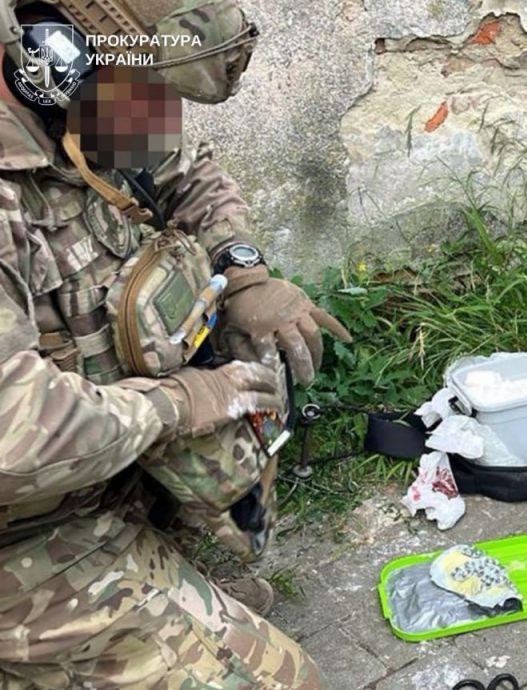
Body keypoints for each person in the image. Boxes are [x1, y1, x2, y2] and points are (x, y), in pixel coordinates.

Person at [0, 1, 348, 686]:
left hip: (95, 477)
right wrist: (178, 405)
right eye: (143, 91)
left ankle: (155, 568)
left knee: (235, 425)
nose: (157, 117)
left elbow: (190, 176)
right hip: (21, 528)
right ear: (51, 57)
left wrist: (244, 274)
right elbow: (11, 432)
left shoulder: (83, 102)